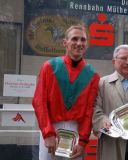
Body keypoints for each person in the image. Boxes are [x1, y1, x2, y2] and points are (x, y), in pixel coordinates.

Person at [32, 24, 100, 160]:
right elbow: (39, 102)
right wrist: (48, 133)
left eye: (83, 40)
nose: (79, 43)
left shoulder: (93, 75)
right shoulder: (49, 67)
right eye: (74, 39)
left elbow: (89, 112)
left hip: (76, 131)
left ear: (86, 45)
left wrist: (82, 141)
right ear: (65, 43)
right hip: (51, 128)